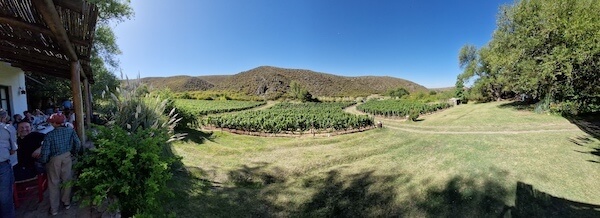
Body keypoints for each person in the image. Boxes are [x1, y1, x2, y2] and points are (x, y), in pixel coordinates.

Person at [40, 113, 81, 216]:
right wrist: (74, 153)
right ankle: (66, 202)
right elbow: (78, 143)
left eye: (51, 122)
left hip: (54, 159)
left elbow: (45, 152)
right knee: (67, 180)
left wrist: (43, 161)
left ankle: (54, 209)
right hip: (67, 157)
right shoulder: (70, 131)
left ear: (54, 123)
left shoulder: (49, 135)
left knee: (54, 183)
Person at [0, 109, 17, 217]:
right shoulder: (8, 128)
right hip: (2, 164)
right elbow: (13, 149)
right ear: (4, 118)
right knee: (5, 197)